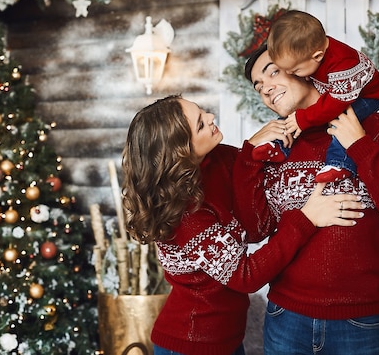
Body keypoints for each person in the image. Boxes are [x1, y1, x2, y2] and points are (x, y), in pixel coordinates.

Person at [121, 95, 365, 355]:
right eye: (201, 124)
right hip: (191, 345)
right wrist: (306, 218)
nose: (211, 118)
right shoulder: (188, 215)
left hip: (227, 339)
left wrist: (252, 149)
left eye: (203, 112)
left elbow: (253, 217)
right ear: (180, 150)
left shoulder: (216, 159)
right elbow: (246, 276)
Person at [234, 47, 379, 355]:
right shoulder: (276, 149)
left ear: (303, 68)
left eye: (272, 72)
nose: (266, 88)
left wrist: (360, 146)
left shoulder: (377, 128)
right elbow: (256, 230)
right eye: (258, 86)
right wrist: (249, 157)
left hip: (359, 323)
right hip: (285, 319)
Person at [251, 10, 379, 184]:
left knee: (341, 120)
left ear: (317, 56)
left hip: (366, 97)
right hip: (338, 94)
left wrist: (303, 118)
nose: (266, 89)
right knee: (296, 118)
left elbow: (334, 104)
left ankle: (339, 163)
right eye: (259, 87)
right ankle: (279, 145)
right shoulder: (310, 50)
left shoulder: (343, 65)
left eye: (292, 71)